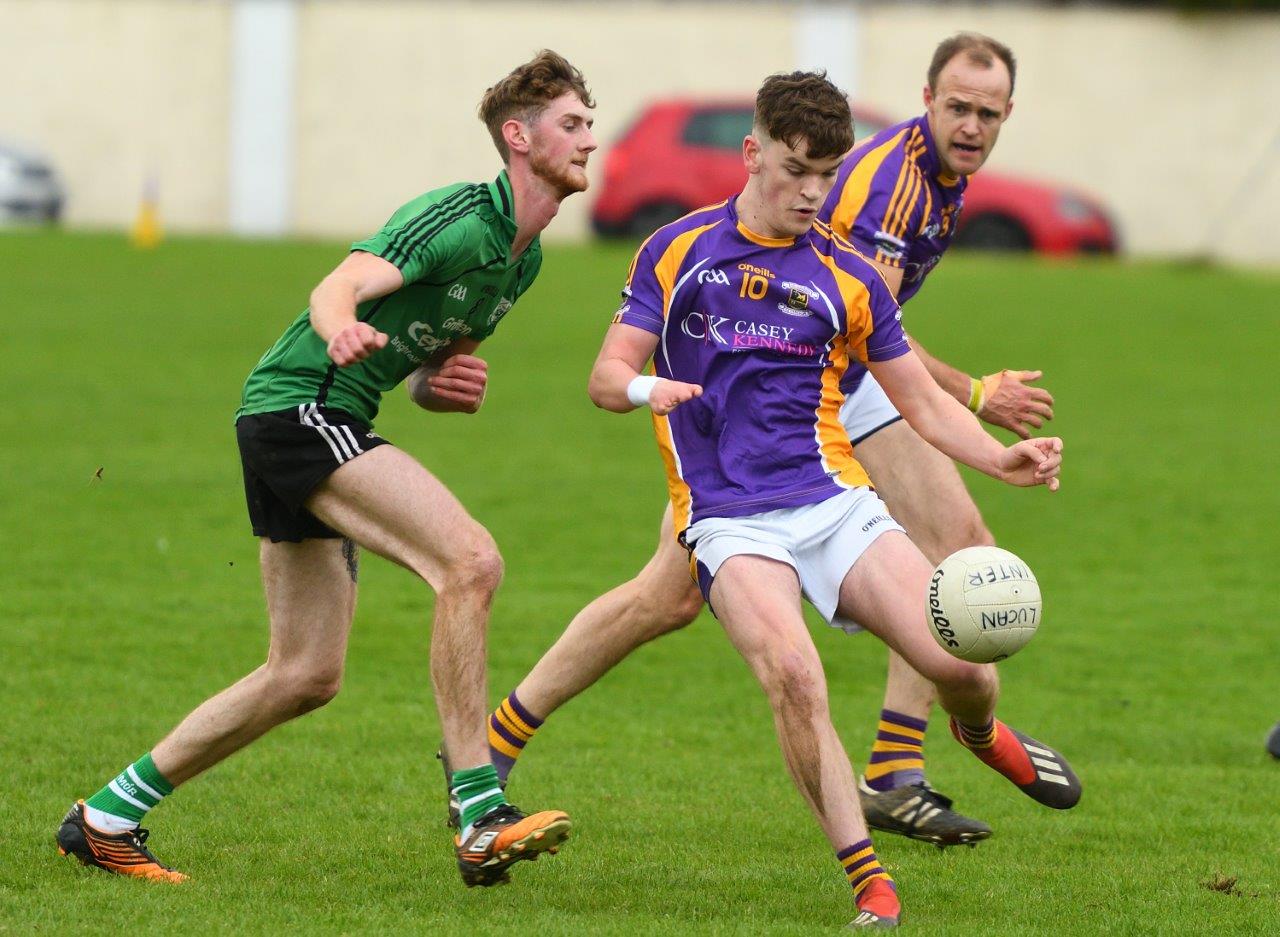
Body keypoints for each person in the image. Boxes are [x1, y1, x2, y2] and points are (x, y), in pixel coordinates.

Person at [474, 33, 1051, 848]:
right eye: (957, 106)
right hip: (808, 397)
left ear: (1007, 116)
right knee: (670, 595)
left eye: (986, 113)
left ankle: (895, 765)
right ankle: (497, 738)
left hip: (833, 384)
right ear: (927, 99)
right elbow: (886, 345)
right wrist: (980, 395)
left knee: (948, 543)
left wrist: (983, 438)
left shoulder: (941, 179)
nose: (971, 125)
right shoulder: (889, 190)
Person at [55, 50, 596, 888]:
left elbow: (424, 376)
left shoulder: (521, 261)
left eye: (590, 125)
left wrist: (440, 384)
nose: (589, 141)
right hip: (300, 409)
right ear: (518, 137)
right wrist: (341, 324)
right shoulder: (458, 219)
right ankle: (481, 812)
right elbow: (339, 283)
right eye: (572, 125)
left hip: (308, 418)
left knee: (306, 671)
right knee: (470, 560)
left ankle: (104, 817)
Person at [590, 69, 1079, 929]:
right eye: (796, 169)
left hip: (830, 499)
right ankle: (870, 881)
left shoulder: (847, 273)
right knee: (793, 674)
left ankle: (974, 734)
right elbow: (605, 374)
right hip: (729, 516)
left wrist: (1003, 459)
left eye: (826, 173)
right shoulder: (677, 249)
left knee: (964, 660)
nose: (813, 191)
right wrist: (646, 393)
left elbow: (920, 403)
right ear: (753, 153)